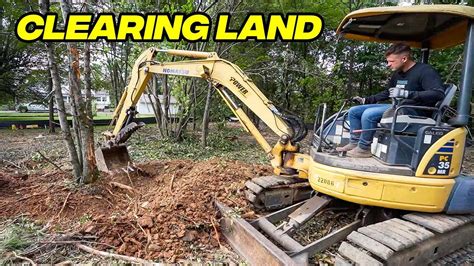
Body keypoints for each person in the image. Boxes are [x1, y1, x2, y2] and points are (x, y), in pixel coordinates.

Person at [336, 42, 445, 158]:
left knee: (369, 114)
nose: (388, 65)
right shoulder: (397, 74)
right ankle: (354, 142)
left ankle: (364, 148)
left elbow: (438, 93)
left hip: (414, 110)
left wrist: (407, 94)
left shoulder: (425, 71)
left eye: (391, 61)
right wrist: (366, 100)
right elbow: (388, 92)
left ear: (404, 58)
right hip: (398, 107)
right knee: (354, 111)